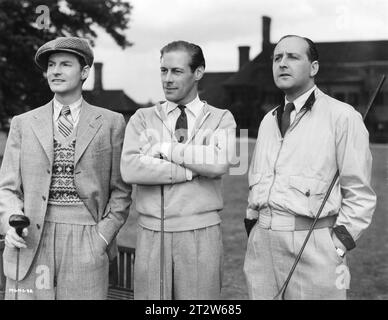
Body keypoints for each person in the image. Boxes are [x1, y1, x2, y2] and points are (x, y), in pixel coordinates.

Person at [243, 35, 376, 300]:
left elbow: (359, 193)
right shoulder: (268, 121)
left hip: (315, 245)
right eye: (277, 58)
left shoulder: (343, 116)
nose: (282, 63)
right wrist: (253, 228)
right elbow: (257, 180)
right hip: (263, 246)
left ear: (313, 67)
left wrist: (337, 246)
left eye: (292, 57)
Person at [0, 37, 132, 300]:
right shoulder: (23, 123)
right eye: (51, 65)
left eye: (65, 64)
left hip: (87, 239)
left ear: (84, 72)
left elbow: (121, 192)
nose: (55, 71)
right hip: (31, 239)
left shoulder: (111, 123)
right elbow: (7, 188)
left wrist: (101, 239)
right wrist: (10, 223)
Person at [120, 40, 236, 300]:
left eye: (177, 71)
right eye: (163, 71)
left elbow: (219, 162)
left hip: (201, 234)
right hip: (151, 234)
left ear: (198, 72)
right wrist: (190, 171)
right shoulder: (142, 118)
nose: (168, 79)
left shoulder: (221, 118)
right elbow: (130, 169)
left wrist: (165, 148)